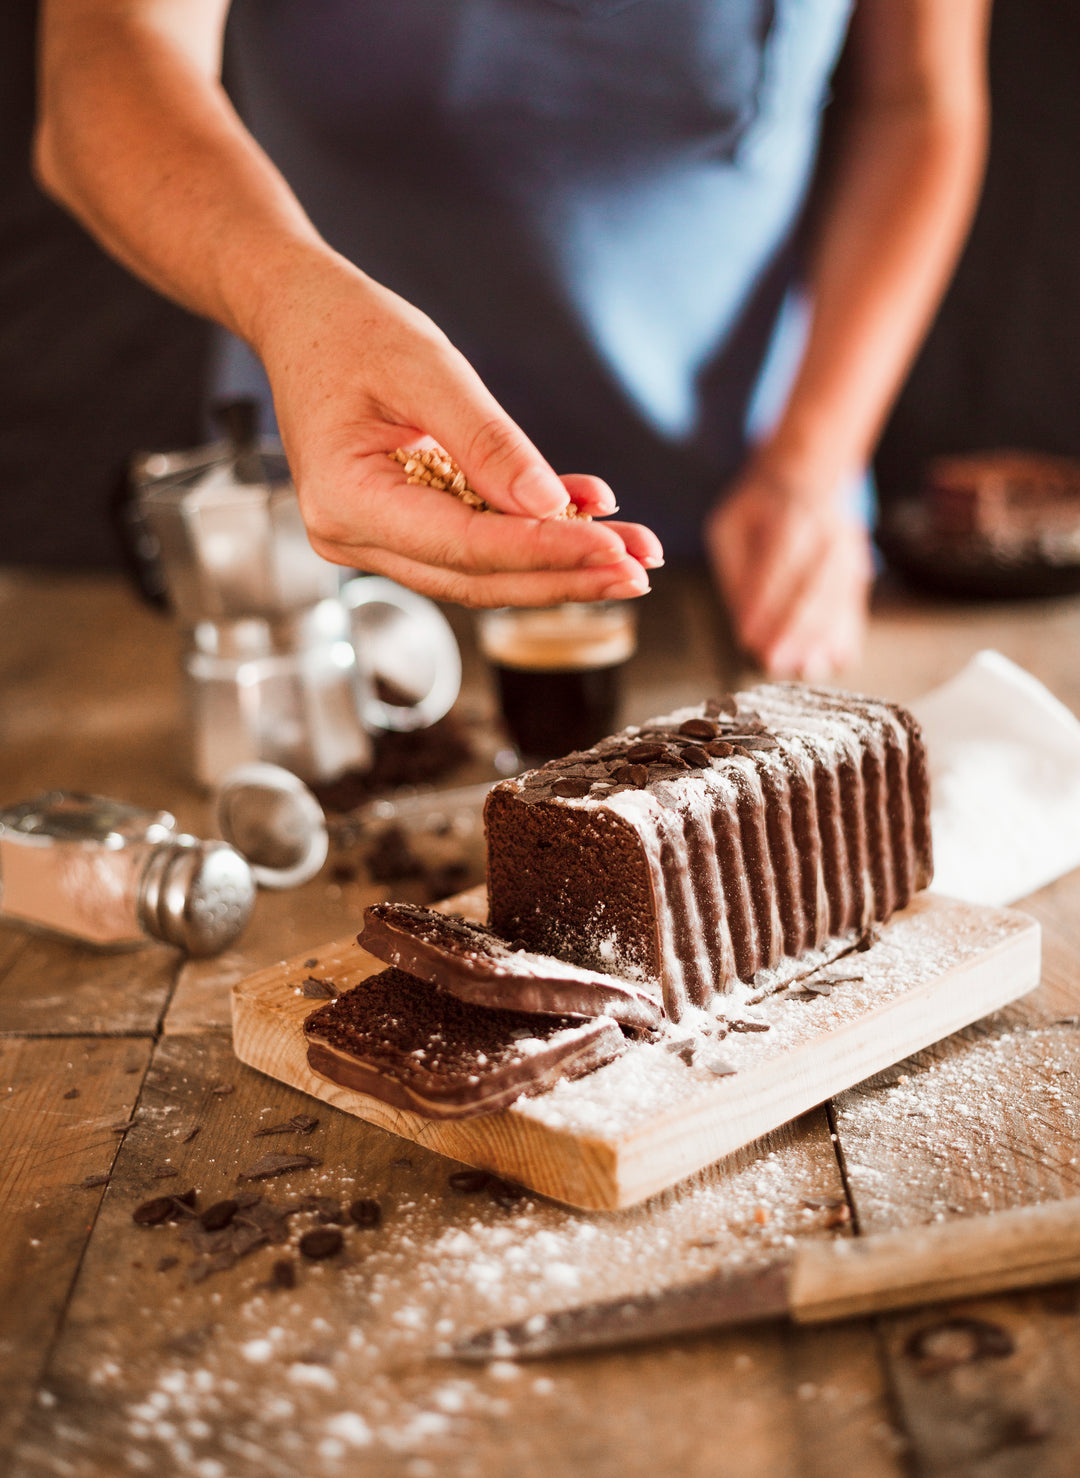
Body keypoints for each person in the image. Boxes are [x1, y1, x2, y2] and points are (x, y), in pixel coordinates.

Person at [35, 0, 989, 677]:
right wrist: (290, 299)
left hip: (747, 536)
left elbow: (919, 101)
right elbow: (109, 53)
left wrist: (814, 457)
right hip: (338, 549)